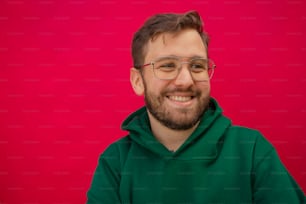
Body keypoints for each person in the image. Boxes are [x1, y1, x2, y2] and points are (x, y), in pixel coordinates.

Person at [87, 11, 305, 203]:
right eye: (167, 66)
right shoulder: (115, 163)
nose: (185, 80)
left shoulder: (252, 151)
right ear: (137, 81)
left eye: (197, 66)